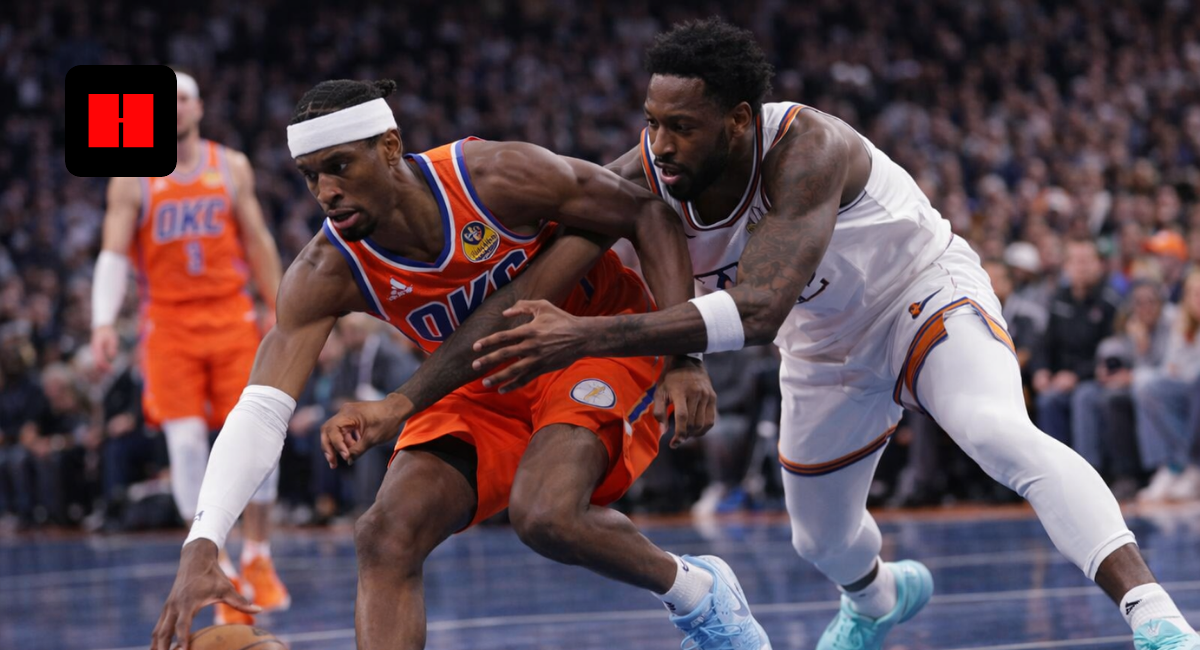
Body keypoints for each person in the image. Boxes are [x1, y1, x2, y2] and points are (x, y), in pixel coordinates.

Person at [467, 19, 1200, 650]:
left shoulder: (807, 146)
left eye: (681, 127)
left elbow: (754, 312)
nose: (660, 143)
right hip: (822, 343)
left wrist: (587, 339)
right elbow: (545, 264)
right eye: (652, 122)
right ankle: (877, 601)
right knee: (819, 540)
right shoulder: (640, 177)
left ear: (740, 120)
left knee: (998, 432)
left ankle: (1158, 619)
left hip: (919, 295)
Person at [150, 79, 770, 650]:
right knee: (386, 534)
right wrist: (203, 542)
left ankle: (700, 595)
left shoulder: (495, 175)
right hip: (472, 384)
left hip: (588, 342)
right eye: (311, 176)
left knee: (545, 513)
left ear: (390, 147)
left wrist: (682, 354)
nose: (327, 192)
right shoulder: (325, 269)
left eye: (340, 166)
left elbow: (648, 212)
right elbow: (262, 408)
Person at [89, 70, 288, 624]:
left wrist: (281, 308)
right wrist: (103, 320)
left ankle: (260, 554)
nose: (174, 108)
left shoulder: (232, 166)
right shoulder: (131, 177)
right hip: (169, 325)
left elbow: (258, 242)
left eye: (182, 99)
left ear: (199, 107)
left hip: (230, 316)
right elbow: (111, 252)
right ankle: (216, 563)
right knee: (184, 448)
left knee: (257, 431)